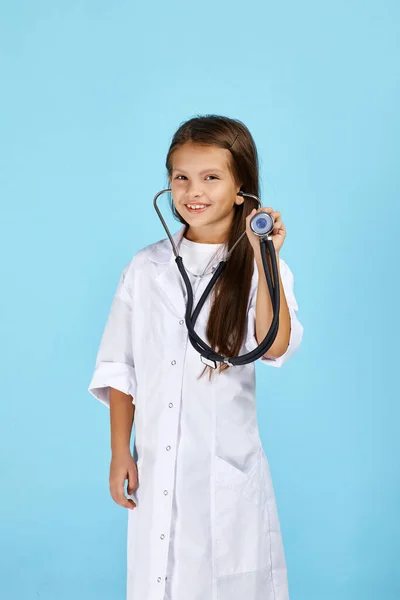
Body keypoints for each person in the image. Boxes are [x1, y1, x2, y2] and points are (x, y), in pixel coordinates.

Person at [88, 114, 304, 600]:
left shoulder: (261, 265)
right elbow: (122, 367)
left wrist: (265, 255)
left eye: (211, 177)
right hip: (157, 466)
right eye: (180, 177)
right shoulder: (146, 268)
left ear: (240, 185)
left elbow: (274, 344)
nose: (193, 191)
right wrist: (120, 450)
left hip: (226, 470)